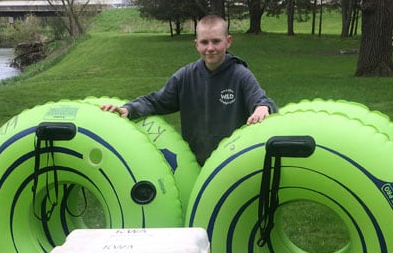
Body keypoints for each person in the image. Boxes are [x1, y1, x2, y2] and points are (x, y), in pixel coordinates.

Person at [101, 14, 277, 165]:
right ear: (196, 44)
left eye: (216, 41)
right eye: (204, 42)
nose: (210, 48)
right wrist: (128, 109)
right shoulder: (185, 76)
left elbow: (262, 101)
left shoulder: (240, 75)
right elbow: (156, 102)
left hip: (232, 164)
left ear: (228, 41)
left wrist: (263, 107)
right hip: (194, 164)